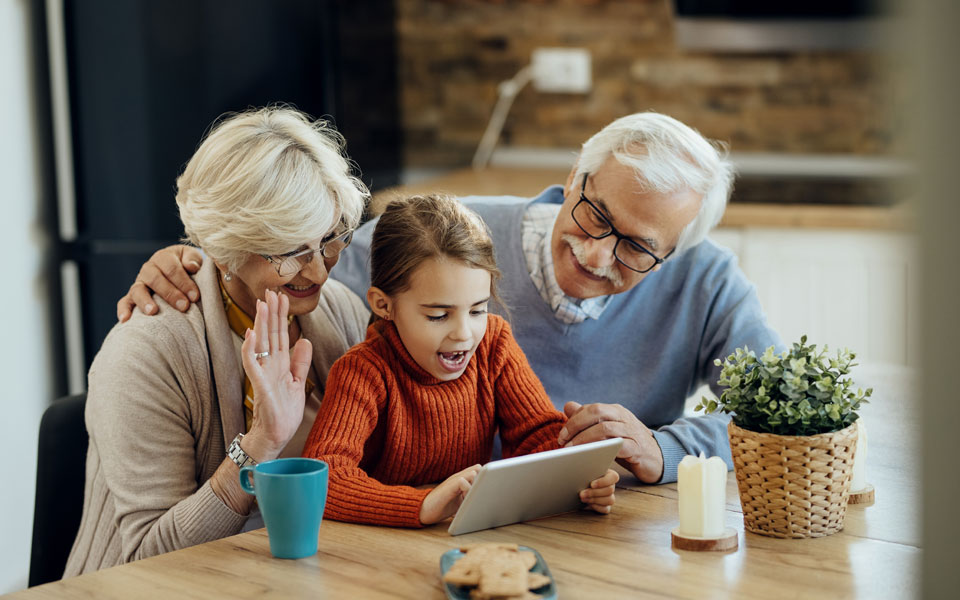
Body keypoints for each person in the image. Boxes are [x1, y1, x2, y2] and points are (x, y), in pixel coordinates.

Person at [116, 111, 782, 486]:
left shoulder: (707, 282)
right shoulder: (444, 233)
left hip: (590, 529)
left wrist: (665, 450)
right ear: (575, 175)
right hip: (426, 533)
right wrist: (195, 260)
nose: (596, 254)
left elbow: (784, 421)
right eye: (593, 215)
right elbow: (289, 264)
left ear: (675, 251)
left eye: (637, 248)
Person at [64, 107, 371, 576]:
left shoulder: (340, 311)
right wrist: (262, 442)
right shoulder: (145, 354)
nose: (319, 269)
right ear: (227, 247)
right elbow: (148, 559)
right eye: (291, 250)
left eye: (331, 238)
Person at [284, 194, 618, 526]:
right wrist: (422, 504)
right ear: (384, 306)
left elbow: (538, 435)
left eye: (477, 310)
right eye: (439, 315)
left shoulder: (493, 343)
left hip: (466, 533)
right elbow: (324, 478)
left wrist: (579, 477)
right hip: (380, 548)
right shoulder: (363, 372)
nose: (464, 333)